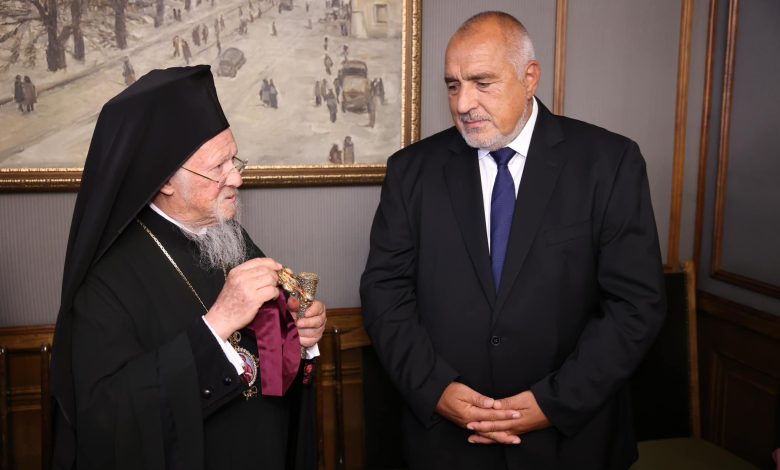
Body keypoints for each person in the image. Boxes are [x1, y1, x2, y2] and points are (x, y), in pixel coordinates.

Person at [360, 11, 665, 470]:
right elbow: (385, 292)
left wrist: (554, 402)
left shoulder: (608, 163)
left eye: (482, 83)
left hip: (571, 442)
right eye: (453, 85)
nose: (463, 103)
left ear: (530, 77)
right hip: (445, 443)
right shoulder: (411, 171)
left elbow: (636, 304)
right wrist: (435, 388)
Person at [50, 66, 326, 470]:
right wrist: (215, 326)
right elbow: (109, 419)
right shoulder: (107, 279)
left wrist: (298, 335)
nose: (237, 178)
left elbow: (267, 361)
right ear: (164, 180)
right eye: (218, 168)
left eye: (234, 159)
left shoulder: (232, 239)